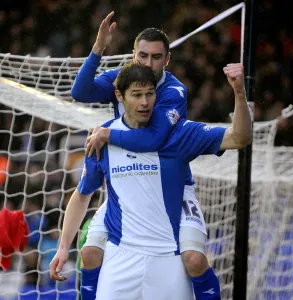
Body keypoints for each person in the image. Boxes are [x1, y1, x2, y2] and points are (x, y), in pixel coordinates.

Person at [49, 62, 251, 300]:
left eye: (149, 94)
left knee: (195, 259)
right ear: (119, 96)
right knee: (90, 251)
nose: (145, 102)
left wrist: (239, 93)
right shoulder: (101, 138)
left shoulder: (178, 133)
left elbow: (240, 137)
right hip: (120, 258)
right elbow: (83, 194)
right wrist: (63, 247)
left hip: (168, 260)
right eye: (136, 95)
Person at [70, 11, 226, 300]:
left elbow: (154, 138)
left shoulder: (173, 90)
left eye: (156, 57)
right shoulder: (123, 79)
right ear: (133, 54)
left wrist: (107, 134)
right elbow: (80, 91)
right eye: (142, 56)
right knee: (89, 253)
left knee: (193, 259)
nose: (148, 63)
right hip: (127, 183)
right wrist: (98, 48)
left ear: (167, 60)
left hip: (170, 185)